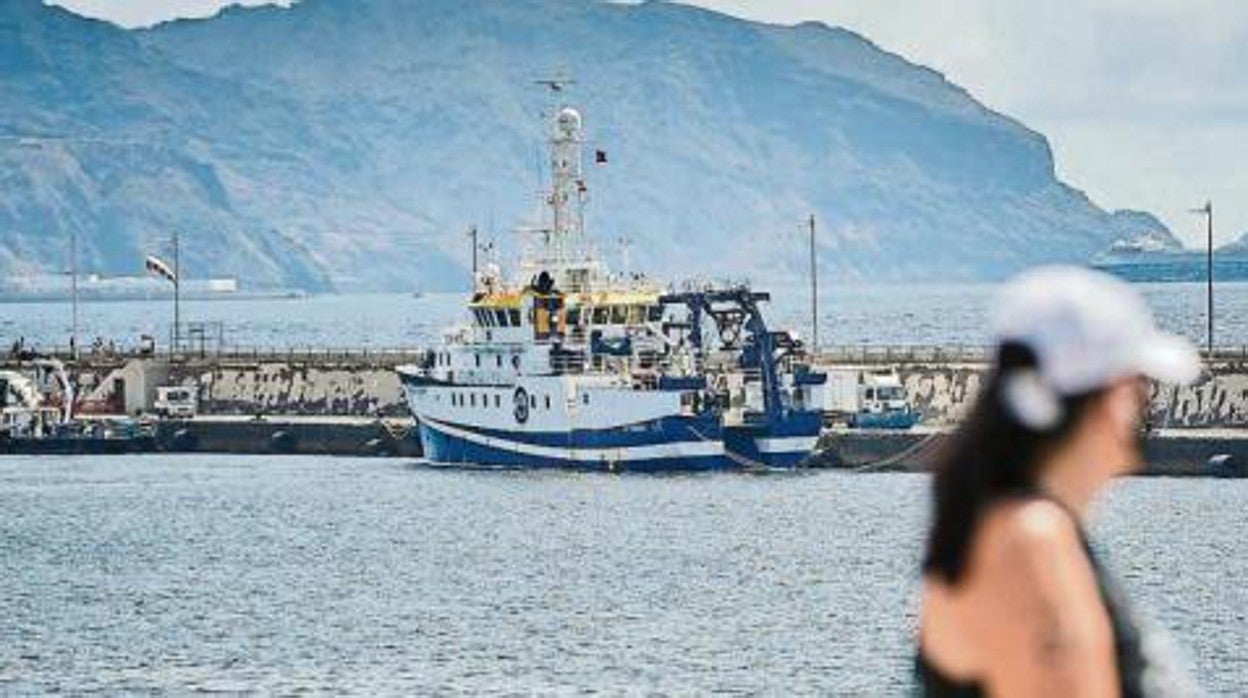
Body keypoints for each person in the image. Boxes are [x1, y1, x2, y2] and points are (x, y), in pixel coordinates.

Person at [917, 266, 1202, 697]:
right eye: (1142, 386)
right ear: (1115, 400)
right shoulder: (1028, 541)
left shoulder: (1007, 527)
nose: (1147, 406)